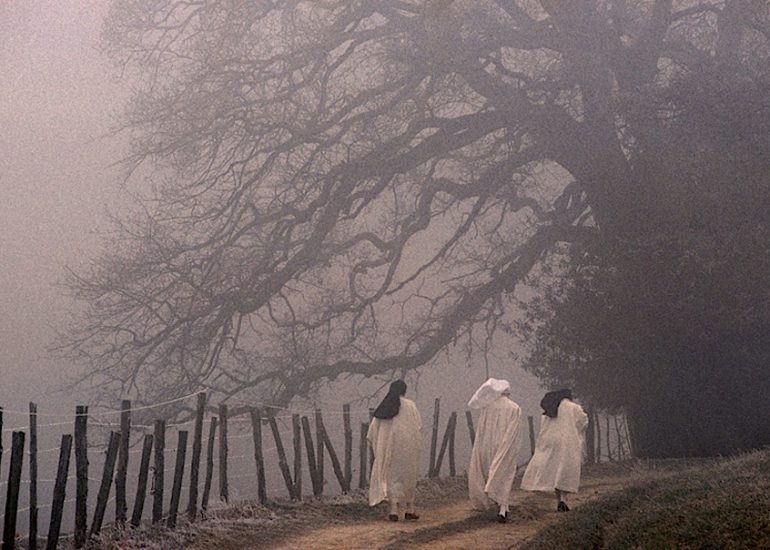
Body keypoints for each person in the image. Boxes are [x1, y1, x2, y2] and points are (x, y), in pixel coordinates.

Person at [521, 389, 588, 512]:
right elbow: (583, 421)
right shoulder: (573, 407)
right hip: (567, 442)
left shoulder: (549, 410)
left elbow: (544, 428)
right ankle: (564, 499)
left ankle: (559, 500)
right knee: (565, 470)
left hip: (551, 442)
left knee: (555, 469)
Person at [467, 378, 522, 523]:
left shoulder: (488, 407)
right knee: (504, 474)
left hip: (488, 445)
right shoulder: (514, 408)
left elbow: (482, 430)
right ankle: (503, 508)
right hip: (504, 444)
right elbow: (513, 431)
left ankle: (501, 504)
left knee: (491, 471)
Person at [367, 380, 422, 521]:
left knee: (391, 477)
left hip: (389, 450)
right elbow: (418, 426)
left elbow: (372, 431)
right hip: (407, 449)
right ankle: (409, 509)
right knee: (408, 477)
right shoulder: (410, 406)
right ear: (404, 390)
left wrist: (379, 446)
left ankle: (393, 511)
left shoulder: (384, 407)